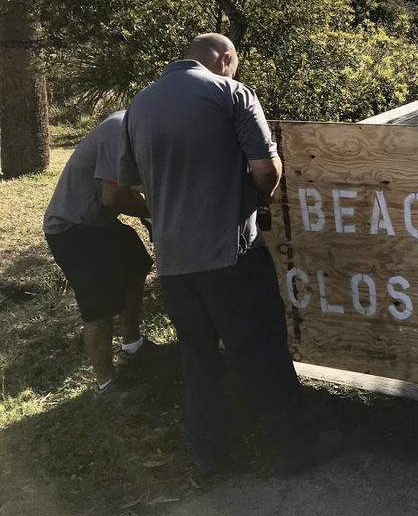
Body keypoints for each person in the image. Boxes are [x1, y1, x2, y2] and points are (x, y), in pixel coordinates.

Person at [118, 33, 337, 476]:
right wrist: (256, 202)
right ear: (225, 59)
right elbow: (266, 167)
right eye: (234, 64)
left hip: (174, 263)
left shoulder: (139, 105)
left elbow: (126, 184)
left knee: (198, 359)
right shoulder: (231, 93)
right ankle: (298, 447)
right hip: (231, 254)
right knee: (261, 351)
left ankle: (211, 458)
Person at [43, 111, 158, 394]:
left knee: (137, 263)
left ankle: (132, 345)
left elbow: (139, 183)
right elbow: (114, 196)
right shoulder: (118, 131)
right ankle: (106, 384)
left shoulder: (139, 128)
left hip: (100, 223)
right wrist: (160, 213)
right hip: (71, 229)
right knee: (98, 306)